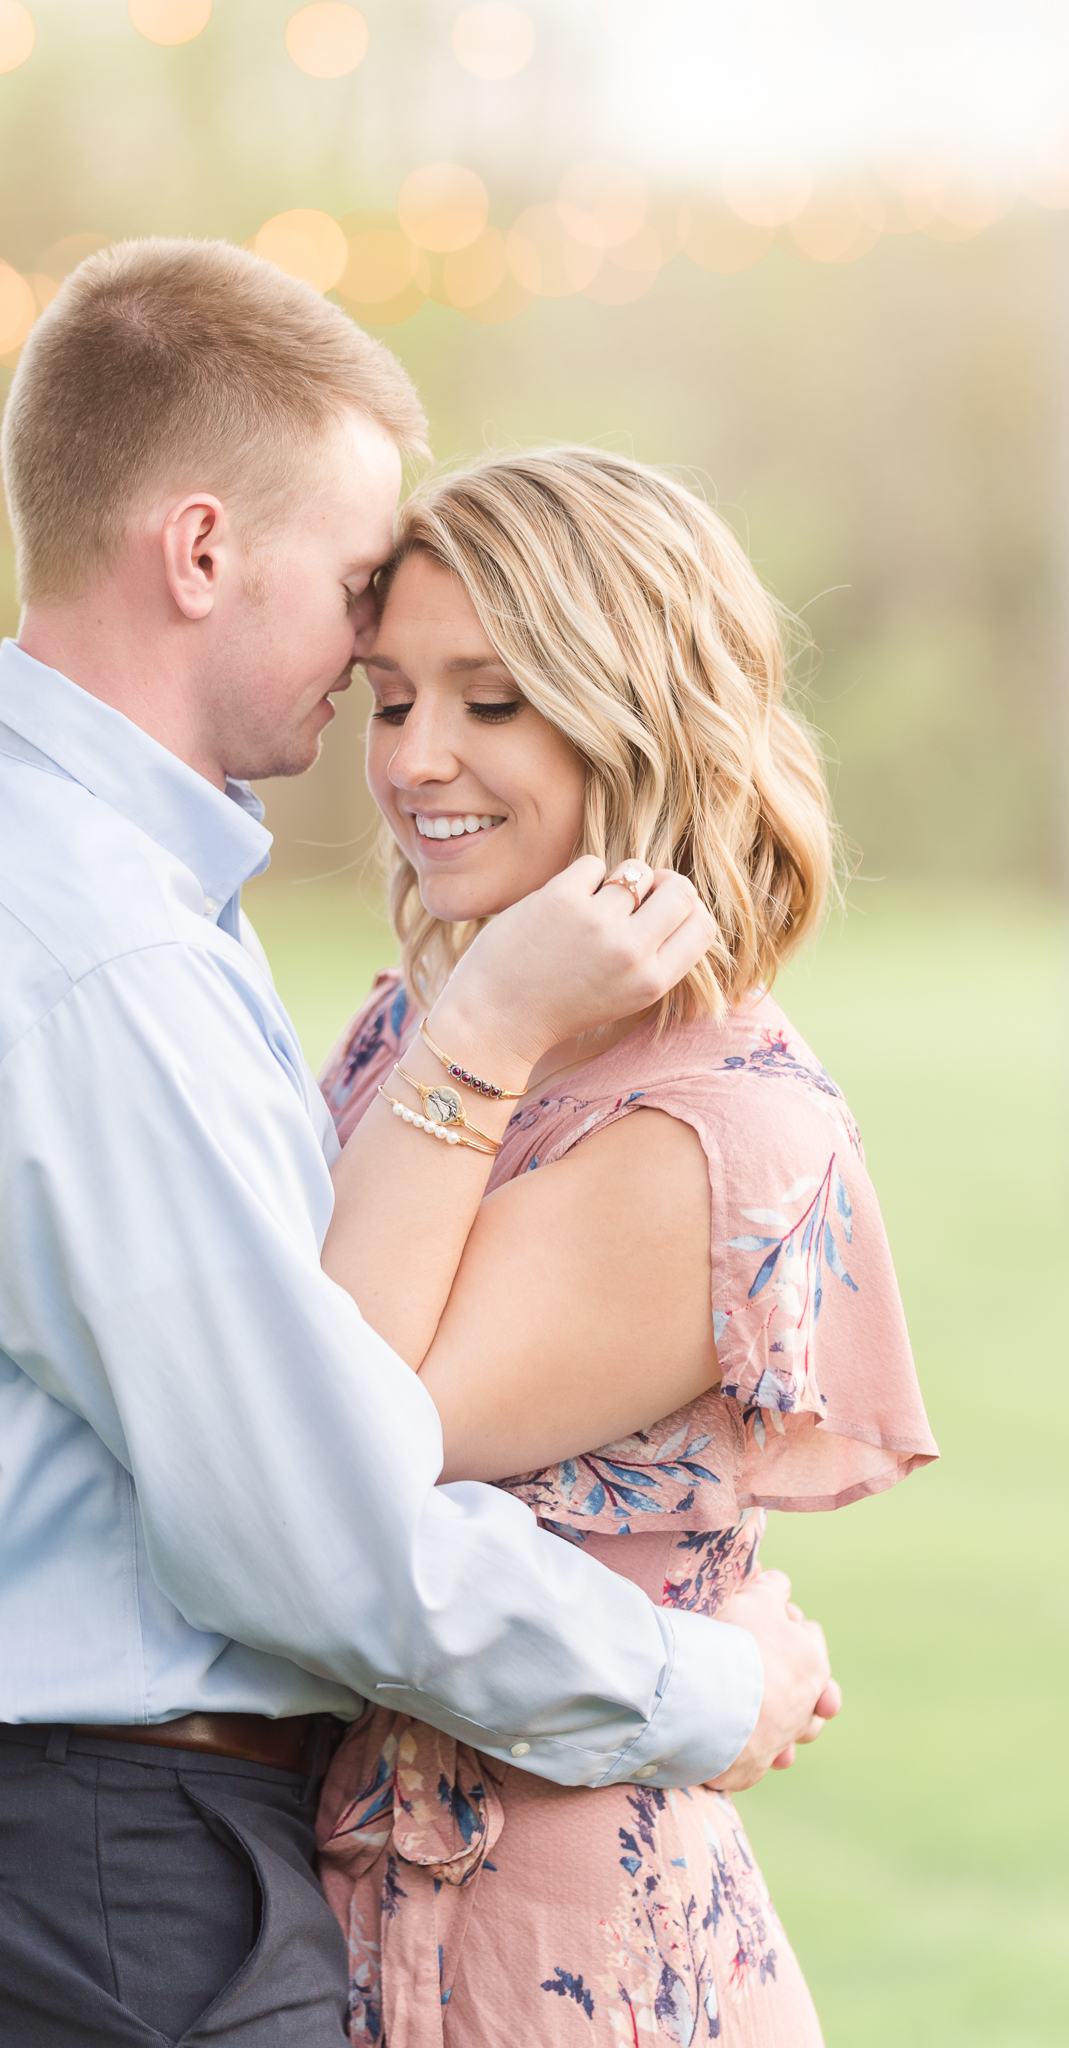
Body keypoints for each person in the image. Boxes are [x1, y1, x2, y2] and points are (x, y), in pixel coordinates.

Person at [0, 239, 834, 2048]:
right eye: (361, 595)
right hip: (103, 1856)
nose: (370, 679)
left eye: (478, 690)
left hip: (79, 1841)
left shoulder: (10, 889)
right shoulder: (97, 955)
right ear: (199, 553)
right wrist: (690, 1685)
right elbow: (313, 1515)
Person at [308, 445, 937, 2045]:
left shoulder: (709, 1137)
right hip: (330, 1893)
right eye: (390, 699)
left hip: (540, 1947)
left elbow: (328, 1437)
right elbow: (210, 1352)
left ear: (638, 717)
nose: (414, 758)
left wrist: (488, 1024)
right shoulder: (425, 1027)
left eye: (493, 700)